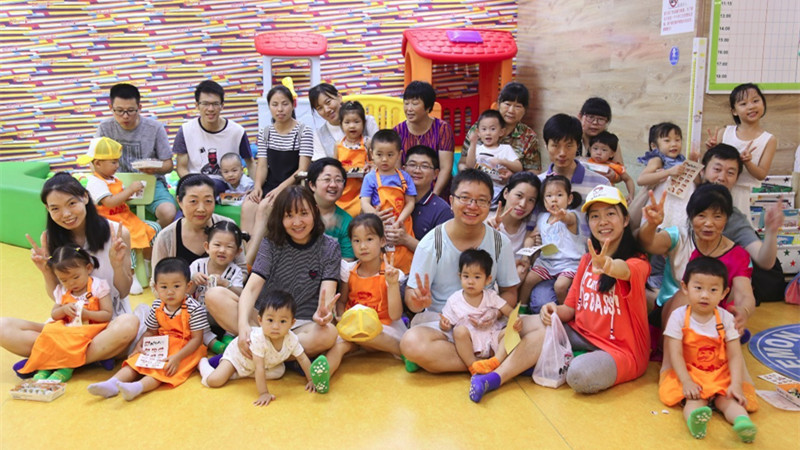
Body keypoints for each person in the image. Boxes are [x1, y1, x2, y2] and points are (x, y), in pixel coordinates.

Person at [1, 173, 139, 372]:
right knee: (2, 327)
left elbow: (124, 292)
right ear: (47, 210)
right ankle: (91, 357)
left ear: (85, 197)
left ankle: (47, 357)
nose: (65, 214)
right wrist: (45, 271)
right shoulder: (51, 239)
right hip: (69, 324)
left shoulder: (117, 233)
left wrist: (117, 265)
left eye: (71, 203)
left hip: (107, 324)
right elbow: (58, 296)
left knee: (129, 324)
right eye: (55, 208)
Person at [400, 169, 521, 374]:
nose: (472, 206)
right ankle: (495, 361)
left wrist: (496, 312)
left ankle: (458, 362)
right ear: (451, 200)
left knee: (540, 326)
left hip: (489, 323)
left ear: (490, 204)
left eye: (481, 200)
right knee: (411, 343)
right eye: (465, 198)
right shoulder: (431, 243)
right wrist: (417, 301)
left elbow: (509, 291)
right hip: (445, 325)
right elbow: (413, 298)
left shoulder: (500, 242)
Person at [204, 186, 340, 359]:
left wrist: (323, 314)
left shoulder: (330, 247)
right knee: (214, 295)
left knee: (328, 334)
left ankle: (261, 354)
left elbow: (327, 295)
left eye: (303, 213)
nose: (297, 222)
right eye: (289, 215)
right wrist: (243, 325)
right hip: (263, 320)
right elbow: (252, 288)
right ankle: (285, 355)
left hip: (300, 324)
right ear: (280, 218)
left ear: (315, 211)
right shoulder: (271, 243)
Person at [658, 257, 757, 443]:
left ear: (724, 293)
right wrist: (686, 381)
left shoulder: (726, 319)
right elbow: (675, 353)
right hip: (690, 373)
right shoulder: (678, 317)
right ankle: (695, 422)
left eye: (713, 290)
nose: (705, 295)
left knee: (729, 400)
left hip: (719, 374)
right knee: (694, 400)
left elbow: (735, 355)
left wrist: (736, 384)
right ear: (685, 287)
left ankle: (743, 423)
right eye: (698, 288)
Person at [88, 258, 207, 401]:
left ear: (188, 286)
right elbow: (151, 331)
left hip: (186, 348)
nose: (170, 292)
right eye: (164, 287)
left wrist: (177, 358)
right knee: (137, 360)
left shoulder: (194, 309)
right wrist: (140, 345)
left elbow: (197, 339)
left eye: (176, 286)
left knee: (164, 368)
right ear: (156, 287)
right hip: (161, 343)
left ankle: (138, 387)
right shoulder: (157, 305)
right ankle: (112, 383)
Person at [198, 290, 331, 404]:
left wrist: (311, 380)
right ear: (260, 320)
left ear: (292, 323)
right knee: (215, 381)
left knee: (279, 372)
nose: (275, 326)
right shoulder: (258, 339)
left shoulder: (291, 339)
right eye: (270, 320)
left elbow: (302, 359)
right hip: (238, 357)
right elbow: (259, 368)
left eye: (283, 321)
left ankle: (238, 374)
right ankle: (202, 364)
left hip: (261, 364)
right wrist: (263, 393)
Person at [326, 214, 408, 376]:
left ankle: (404, 353)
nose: (363, 246)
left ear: (382, 241)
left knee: (373, 335)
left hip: (383, 328)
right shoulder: (349, 270)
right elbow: (342, 301)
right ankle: (320, 376)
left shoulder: (391, 273)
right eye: (356, 241)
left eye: (369, 239)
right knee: (339, 345)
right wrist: (341, 317)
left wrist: (392, 284)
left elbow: (395, 315)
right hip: (353, 328)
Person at [17, 247, 113, 382]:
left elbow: (107, 314)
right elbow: (54, 314)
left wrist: (88, 314)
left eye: (76, 277)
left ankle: (65, 368)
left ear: (88, 268)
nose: (71, 283)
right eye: (64, 280)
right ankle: (44, 367)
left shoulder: (98, 286)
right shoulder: (62, 291)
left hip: (90, 329)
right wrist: (63, 310)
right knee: (50, 332)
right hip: (67, 328)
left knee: (72, 339)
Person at [95, 83, 177, 227]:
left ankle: (151, 234)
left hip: (150, 182)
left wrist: (155, 168)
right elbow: (94, 162)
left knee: (168, 211)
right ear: (111, 108)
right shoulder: (105, 128)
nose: (125, 116)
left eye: (131, 111)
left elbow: (169, 165)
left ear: (139, 107)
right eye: (119, 111)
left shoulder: (155, 128)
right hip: (116, 183)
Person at [240, 85, 313, 237]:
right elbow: (262, 165)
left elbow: (302, 170)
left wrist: (280, 189)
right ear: (269, 107)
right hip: (270, 184)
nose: (280, 109)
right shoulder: (265, 132)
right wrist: (257, 187)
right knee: (248, 206)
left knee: (264, 207)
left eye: (285, 104)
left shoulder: (303, 131)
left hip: (292, 186)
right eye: (275, 104)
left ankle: (257, 250)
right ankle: (246, 251)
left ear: (293, 105)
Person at [440, 249, 518, 375]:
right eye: (466, 276)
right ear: (460, 276)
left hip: (492, 338)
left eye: (477, 277)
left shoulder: (491, 296)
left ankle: (496, 361)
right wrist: (444, 325)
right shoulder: (454, 300)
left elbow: (509, 311)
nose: (470, 281)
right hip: (471, 343)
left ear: (487, 279)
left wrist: (516, 320)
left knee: (511, 332)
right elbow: (447, 322)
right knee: (458, 331)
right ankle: (473, 366)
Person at [706, 83, 777, 216]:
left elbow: (761, 174)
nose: (751, 106)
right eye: (743, 104)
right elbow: (709, 166)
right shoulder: (724, 132)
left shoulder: (769, 139)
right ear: (734, 111)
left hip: (745, 195)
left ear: (763, 104)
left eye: (755, 101)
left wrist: (747, 163)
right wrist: (711, 151)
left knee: (740, 227)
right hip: (718, 191)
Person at [151, 174, 246, 272]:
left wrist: (225, 281)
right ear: (179, 201)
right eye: (193, 201)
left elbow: (242, 269)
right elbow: (157, 278)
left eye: (208, 201)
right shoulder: (166, 237)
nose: (201, 209)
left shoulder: (228, 227)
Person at [173, 80, 253, 194]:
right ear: (197, 105)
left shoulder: (237, 131)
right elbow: (181, 168)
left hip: (226, 185)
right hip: (194, 183)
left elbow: (250, 163)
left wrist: (257, 188)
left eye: (215, 104)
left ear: (222, 106)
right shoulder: (186, 131)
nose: (210, 109)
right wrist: (194, 185)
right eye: (205, 104)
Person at [519, 175, 584, 306]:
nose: (554, 199)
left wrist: (563, 217)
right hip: (547, 262)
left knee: (560, 286)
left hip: (569, 263)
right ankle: (522, 307)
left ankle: (566, 311)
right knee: (529, 279)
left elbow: (569, 219)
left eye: (559, 195)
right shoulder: (542, 218)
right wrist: (527, 253)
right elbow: (531, 237)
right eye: (549, 196)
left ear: (569, 198)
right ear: (543, 200)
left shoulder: (572, 215)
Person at [360, 129, 416, 273]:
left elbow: (410, 202)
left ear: (399, 154)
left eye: (390, 155)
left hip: (401, 225)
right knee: (379, 259)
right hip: (379, 225)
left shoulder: (405, 177)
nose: (384, 159)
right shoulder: (370, 178)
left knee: (403, 259)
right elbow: (364, 202)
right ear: (371, 153)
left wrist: (400, 221)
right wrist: (375, 216)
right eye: (379, 154)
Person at [189, 221, 247, 354]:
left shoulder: (235, 271)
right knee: (194, 322)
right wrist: (194, 280)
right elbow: (185, 293)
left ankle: (228, 337)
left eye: (229, 247)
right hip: (201, 313)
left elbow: (240, 295)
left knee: (238, 312)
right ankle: (214, 344)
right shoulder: (197, 266)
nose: (222, 250)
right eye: (217, 245)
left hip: (223, 314)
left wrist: (226, 284)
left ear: (238, 252)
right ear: (207, 247)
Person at [460, 81, 541, 175]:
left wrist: (512, 178)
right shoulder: (479, 128)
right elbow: (463, 162)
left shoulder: (529, 137)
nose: (511, 111)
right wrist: (470, 176)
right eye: (507, 104)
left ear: (525, 110)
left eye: (518, 106)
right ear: (499, 103)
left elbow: (534, 171)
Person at [394, 81, 454, 198]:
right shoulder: (398, 131)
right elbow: (396, 169)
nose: (409, 109)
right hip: (407, 191)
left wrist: (432, 197)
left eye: (415, 104)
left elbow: (445, 168)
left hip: (437, 191)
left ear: (428, 107)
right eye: (406, 103)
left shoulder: (442, 129)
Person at [389, 145, 453, 253]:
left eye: (424, 166)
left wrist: (406, 240)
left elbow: (441, 254)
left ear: (435, 174)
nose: (417, 170)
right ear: (403, 170)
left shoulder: (442, 210)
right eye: (412, 165)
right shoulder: (389, 199)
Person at [538, 113, 610, 205]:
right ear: (546, 145)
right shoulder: (537, 183)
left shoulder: (601, 184)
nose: (562, 153)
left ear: (578, 145)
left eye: (569, 145)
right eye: (555, 145)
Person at [486, 172, 540, 280]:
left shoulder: (530, 228)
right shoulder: (486, 220)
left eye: (531, 200)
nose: (523, 204)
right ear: (506, 193)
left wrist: (535, 250)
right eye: (519, 196)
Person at [463, 109, 522, 205]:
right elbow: (469, 166)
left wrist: (502, 161)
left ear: (501, 132)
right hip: (478, 190)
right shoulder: (477, 149)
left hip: (500, 192)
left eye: (493, 129)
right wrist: (472, 144)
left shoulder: (506, 149)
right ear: (478, 132)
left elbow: (519, 167)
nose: (488, 133)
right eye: (484, 129)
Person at [308, 83, 379, 160]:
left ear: (339, 97)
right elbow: (322, 164)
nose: (326, 110)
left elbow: (380, 153)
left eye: (328, 102)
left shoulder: (368, 121)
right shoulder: (318, 136)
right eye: (319, 108)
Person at [307, 158, 355, 260]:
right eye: (327, 179)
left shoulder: (346, 221)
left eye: (338, 180)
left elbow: (347, 261)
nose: (333, 185)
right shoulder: (297, 212)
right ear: (312, 185)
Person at [334, 100, 370, 217]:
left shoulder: (367, 143)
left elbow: (375, 164)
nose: (352, 126)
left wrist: (370, 167)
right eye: (347, 122)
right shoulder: (338, 145)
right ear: (341, 124)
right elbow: (334, 167)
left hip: (361, 192)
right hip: (342, 192)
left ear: (363, 123)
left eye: (356, 122)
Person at [585, 131, 635, 202]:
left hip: (606, 196)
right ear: (590, 150)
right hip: (587, 193)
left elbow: (628, 179)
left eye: (604, 150)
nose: (598, 153)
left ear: (612, 154)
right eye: (595, 148)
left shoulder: (614, 166)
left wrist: (631, 195)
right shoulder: (585, 162)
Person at [636, 122, 687, 191]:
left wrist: (693, 161)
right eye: (667, 140)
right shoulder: (657, 160)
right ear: (654, 146)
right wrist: (668, 172)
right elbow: (641, 180)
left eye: (677, 140)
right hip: (659, 196)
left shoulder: (681, 159)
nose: (674, 144)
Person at [578, 97, 623, 164]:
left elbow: (620, 169)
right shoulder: (572, 137)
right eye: (590, 117)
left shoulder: (610, 142)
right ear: (580, 116)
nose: (595, 122)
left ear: (607, 121)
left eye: (601, 119)